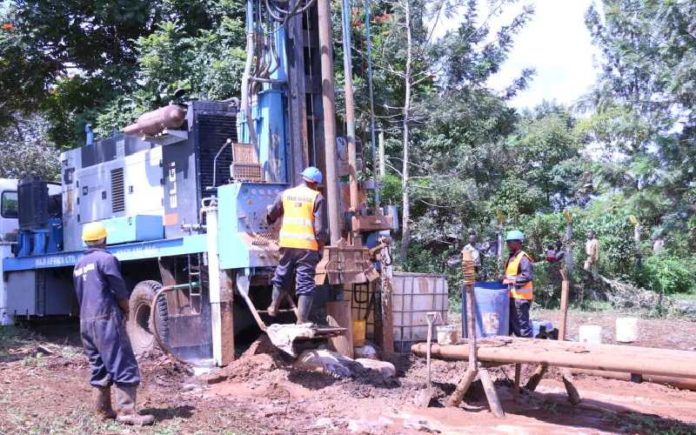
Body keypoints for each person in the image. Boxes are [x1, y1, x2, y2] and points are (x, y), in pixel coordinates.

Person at [73, 222, 154, 426]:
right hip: (105, 319)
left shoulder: (79, 264)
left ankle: (103, 411)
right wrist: (127, 310)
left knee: (98, 366)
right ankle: (127, 412)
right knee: (123, 362)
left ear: (86, 240)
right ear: (104, 239)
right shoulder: (107, 259)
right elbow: (119, 290)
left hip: (86, 321)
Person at [266, 166, 329, 324]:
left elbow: (271, 215)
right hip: (307, 246)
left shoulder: (285, 194)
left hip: (287, 244)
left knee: (281, 274)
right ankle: (301, 321)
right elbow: (321, 229)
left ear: (303, 179)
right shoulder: (317, 197)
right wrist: (320, 246)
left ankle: (273, 307)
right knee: (305, 282)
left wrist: (270, 221)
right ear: (315, 183)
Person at [502, 230, 534, 338]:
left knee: (521, 328)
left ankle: (527, 351)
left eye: (511, 242)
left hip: (521, 298)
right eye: (508, 242)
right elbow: (510, 275)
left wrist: (511, 280)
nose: (508, 245)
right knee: (509, 327)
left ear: (519, 243)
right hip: (512, 297)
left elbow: (527, 276)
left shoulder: (523, 258)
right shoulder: (512, 257)